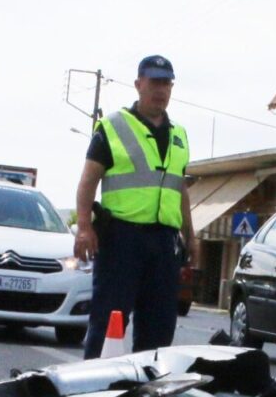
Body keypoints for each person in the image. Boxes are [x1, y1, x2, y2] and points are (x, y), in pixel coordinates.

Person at [73, 55, 198, 358]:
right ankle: (93, 391)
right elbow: (88, 180)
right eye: (155, 82)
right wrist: (84, 227)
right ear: (139, 84)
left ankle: (146, 395)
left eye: (166, 83)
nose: (161, 89)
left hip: (164, 244)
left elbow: (179, 189)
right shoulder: (113, 127)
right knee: (107, 323)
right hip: (121, 240)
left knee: (159, 330)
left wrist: (190, 237)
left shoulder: (179, 135)